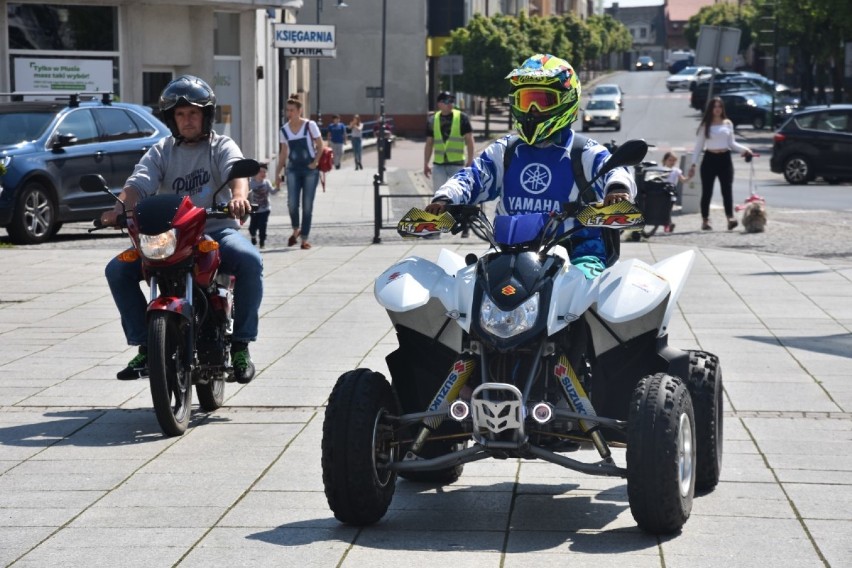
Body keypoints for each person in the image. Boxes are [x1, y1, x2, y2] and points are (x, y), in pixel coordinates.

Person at [101, 75, 261, 384]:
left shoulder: (221, 145)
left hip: (216, 232)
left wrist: (239, 196)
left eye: (193, 113)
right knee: (116, 270)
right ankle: (145, 345)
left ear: (206, 115)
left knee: (250, 260)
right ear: (172, 119)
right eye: (180, 114)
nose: (187, 120)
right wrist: (118, 208)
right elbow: (138, 184)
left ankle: (241, 344)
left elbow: (235, 171)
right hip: (170, 237)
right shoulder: (162, 150)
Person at [425, 54, 635, 279]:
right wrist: (445, 198)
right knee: (465, 297)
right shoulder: (506, 149)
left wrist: (617, 190)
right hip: (508, 251)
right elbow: (473, 176)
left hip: (578, 252)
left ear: (566, 100)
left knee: (584, 291)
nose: (532, 110)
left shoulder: (583, 151)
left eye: (542, 101)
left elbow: (613, 168)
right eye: (526, 101)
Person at [688, 96, 753, 231]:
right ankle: (705, 220)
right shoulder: (705, 125)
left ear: (722, 108)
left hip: (725, 159)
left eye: (719, 106)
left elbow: (731, 143)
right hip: (709, 158)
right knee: (707, 191)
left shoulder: (728, 123)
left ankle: (730, 218)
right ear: (711, 109)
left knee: (727, 190)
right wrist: (693, 164)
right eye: (714, 106)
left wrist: (745, 149)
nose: (717, 109)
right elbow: (698, 146)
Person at [274, 94, 323, 250]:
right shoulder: (284, 130)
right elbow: (283, 152)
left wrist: (315, 162)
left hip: (310, 170)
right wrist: (277, 172)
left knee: (307, 205)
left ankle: (304, 239)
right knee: (292, 203)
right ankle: (296, 228)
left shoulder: (310, 125)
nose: (289, 113)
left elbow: (321, 146)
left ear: (299, 110)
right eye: (287, 110)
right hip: (293, 169)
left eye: (292, 110)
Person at [423, 91, 476, 236]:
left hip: (457, 164)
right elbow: (429, 143)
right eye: (446, 101)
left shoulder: (462, 118)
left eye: (452, 101)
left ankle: (465, 228)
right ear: (439, 103)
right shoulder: (433, 120)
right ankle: (436, 230)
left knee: (461, 196)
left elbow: (469, 140)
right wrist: (425, 163)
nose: (450, 104)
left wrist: (470, 160)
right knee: (438, 198)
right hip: (439, 164)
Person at [661, 151, 691, 233]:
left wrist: (689, 177)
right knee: (665, 210)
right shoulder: (661, 170)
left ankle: (667, 225)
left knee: (668, 210)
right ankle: (668, 224)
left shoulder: (676, 171)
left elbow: (683, 180)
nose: (672, 162)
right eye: (670, 160)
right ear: (664, 161)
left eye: (674, 160)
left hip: (671, 192)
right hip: (662, 192)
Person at [248, 163, 274, 249]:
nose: (263, 174)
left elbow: (273, 192)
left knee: (263, 225)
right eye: (260, 171)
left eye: (265, 172)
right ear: (255, 172)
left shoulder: (267, 182)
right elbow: (245, 194)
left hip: (265, 209)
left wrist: (278, 186)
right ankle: (253, 236)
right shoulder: (250, 183)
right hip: (254, 210)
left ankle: (262, 242)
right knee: (252, 227)